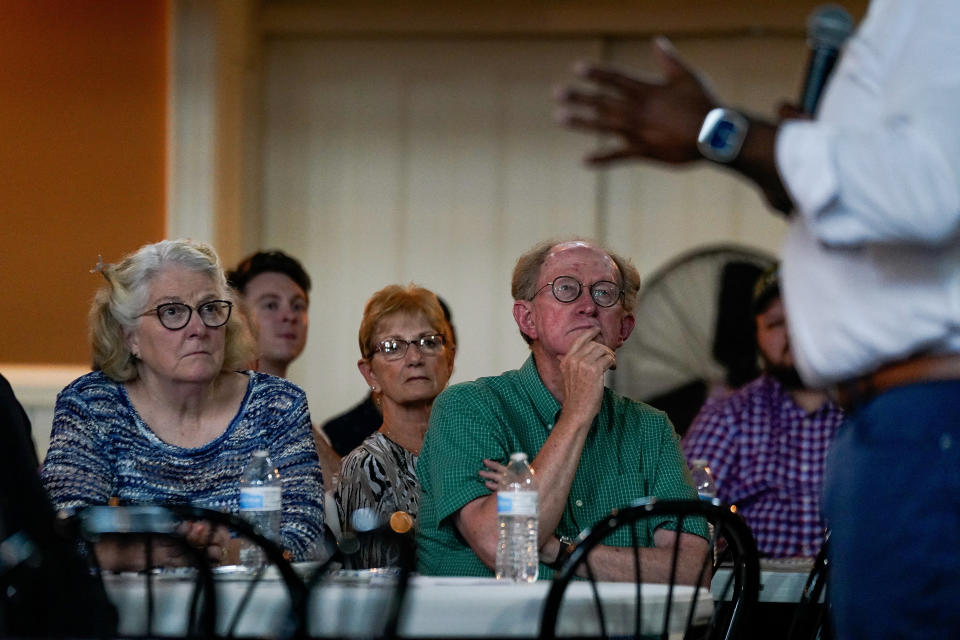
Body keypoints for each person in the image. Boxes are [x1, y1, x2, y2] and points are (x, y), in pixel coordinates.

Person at [555, 4, 960, 636]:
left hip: (929, 420)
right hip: (896, 424)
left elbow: (932, 187)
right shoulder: (733, 413)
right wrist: (789, 169)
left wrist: (728, 132)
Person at [416, 238, 707, 583]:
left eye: (604, 293)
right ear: (528, 319)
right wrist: (577, 414)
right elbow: (501, 545)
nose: (587, 306)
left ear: (624, 329)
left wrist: (556, 549)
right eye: (566, 289)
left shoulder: (652, 429)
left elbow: (692, 573)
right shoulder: (467, 408)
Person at [40, 239, 325, 570]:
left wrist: (233, 552)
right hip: (131, 616)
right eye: (171, 311)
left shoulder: (277, 404)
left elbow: (304, 534)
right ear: (129, 336)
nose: (199, 328)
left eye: (210, 308)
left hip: (253, 614)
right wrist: (144, 552)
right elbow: (62, 531)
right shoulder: (93, 404)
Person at [682, 264, 844, 558]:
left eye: (803, 317)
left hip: (855, 597)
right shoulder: (728, 416)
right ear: (755, 335)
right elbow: (686, 512)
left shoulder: (868, 412)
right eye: (776, 323)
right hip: (755, 599)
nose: (792, 333)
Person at [335, 284, 456, 568]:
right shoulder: (366, 465)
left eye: (428, 342)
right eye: (393, 347)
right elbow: (373, 582)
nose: (415, 358)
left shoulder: (474, 448)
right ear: (369, 373)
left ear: (449, 358)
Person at [227, 250, 342, 490]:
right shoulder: (218, 417)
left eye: (298, 305)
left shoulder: (314, 430)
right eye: (271, 305)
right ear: (238, 316)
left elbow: (345, 500)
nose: (289, 315)